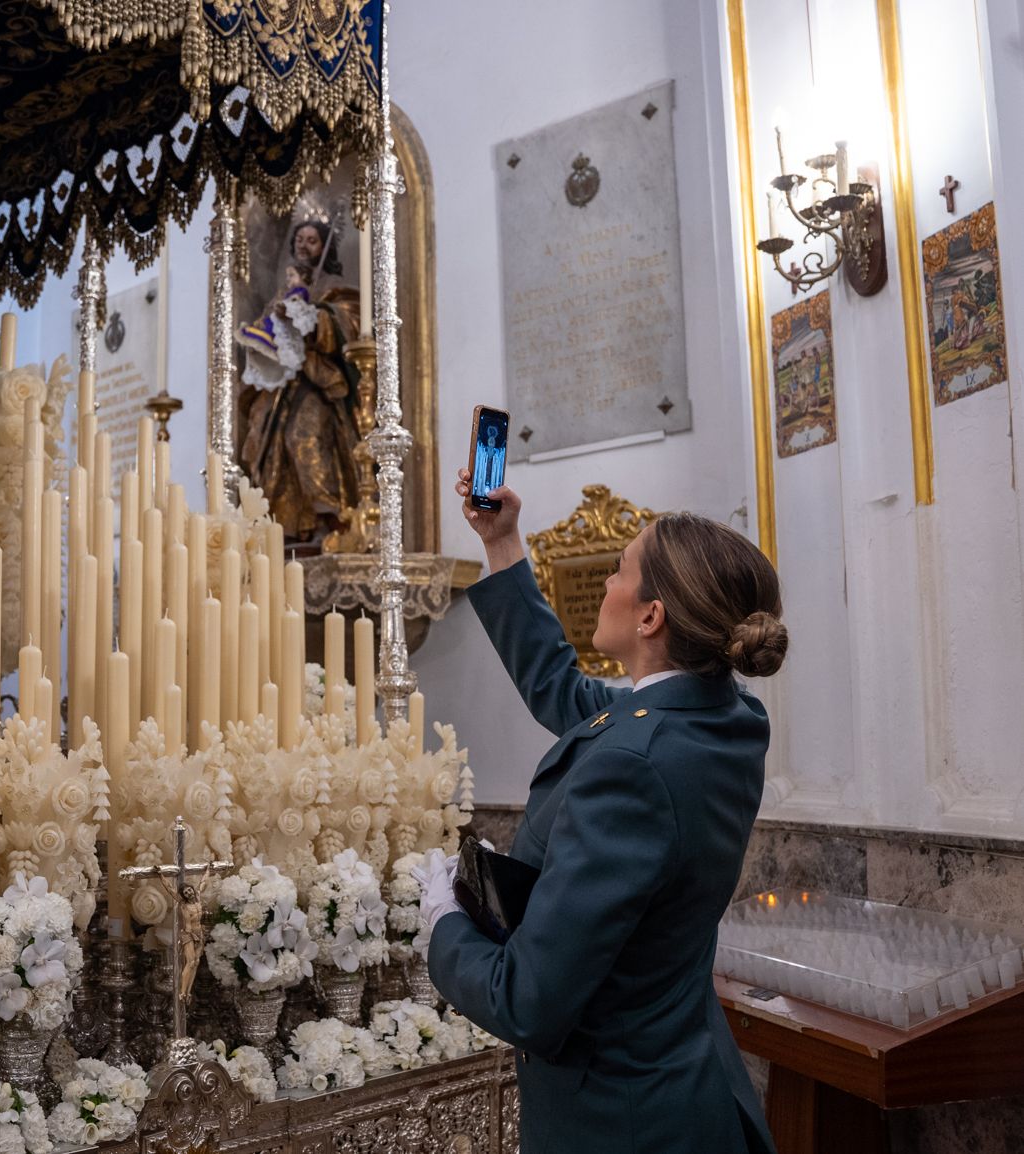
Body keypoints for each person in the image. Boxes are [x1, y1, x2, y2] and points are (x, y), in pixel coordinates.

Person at [417, 472, 788, 1154]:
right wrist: (500, 544)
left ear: (650, 617)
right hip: (686, 1089)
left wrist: (443, 919)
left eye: (618, 571)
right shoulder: (722, 718)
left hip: (621, 1123)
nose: (609, 584)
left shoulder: (634, 764)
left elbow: (525, 1001)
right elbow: (558, 687)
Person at [237, 218, 363, 545]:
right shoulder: (284, 288)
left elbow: (348, 322)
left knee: (303, 436)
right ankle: (283, 527)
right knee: (261, 444)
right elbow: (267, 331)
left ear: (324, 248)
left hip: (316, 381)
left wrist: (315, 319)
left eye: (312, 240)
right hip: (281, 384)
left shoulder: (331, 284)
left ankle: (330, 517)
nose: (304, 245)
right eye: (300, 239)